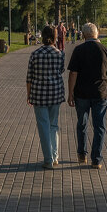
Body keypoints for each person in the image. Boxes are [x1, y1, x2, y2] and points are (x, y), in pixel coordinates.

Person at [67, 23, 107, 169]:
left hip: (81, 94)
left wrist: (70, 93)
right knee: (99, 126)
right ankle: (96, 160)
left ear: (83, 35)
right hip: (100, 94)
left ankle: (81, 154)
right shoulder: (105, 50)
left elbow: (73, 74)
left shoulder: (79, 50)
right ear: (97, 34)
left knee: (81, 124)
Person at [27, 25, 66, 169]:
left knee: (43, 125)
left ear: (42, 36)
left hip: (38, 94)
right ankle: (55, 157)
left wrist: (28, 94)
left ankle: (48, 159)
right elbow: (61, 70)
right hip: (55, 93)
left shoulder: (35, 54)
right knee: (53, 125)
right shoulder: (60, 53)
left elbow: (29, 77)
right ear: (55, 36)